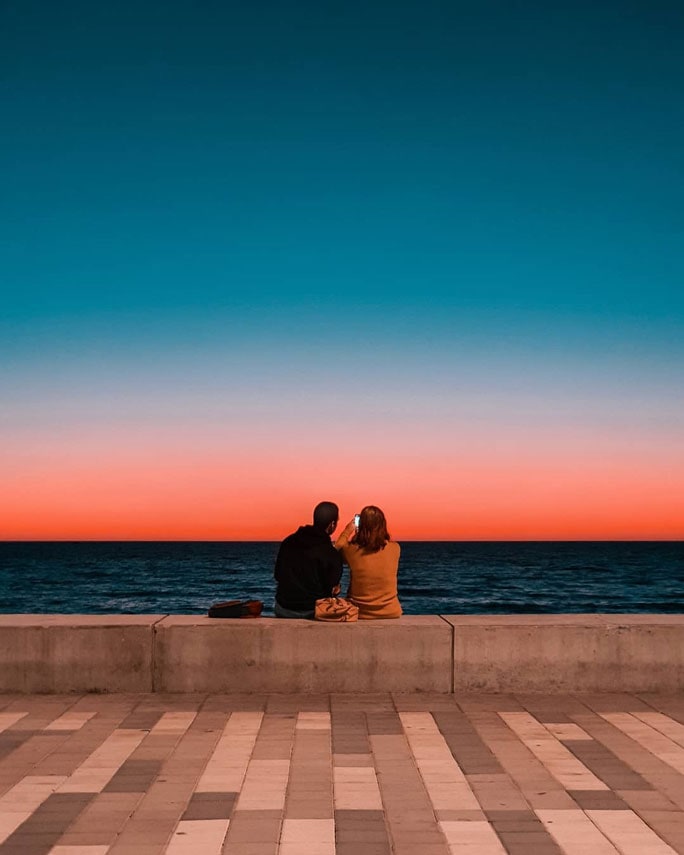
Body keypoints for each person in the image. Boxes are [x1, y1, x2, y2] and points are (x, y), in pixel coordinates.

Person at [273, 501, 343, 619]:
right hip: (313, 610)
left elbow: (278, 575)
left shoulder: (288, 542)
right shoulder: (329, 552)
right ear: (332, 524)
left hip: (283, 608)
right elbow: (332, 587)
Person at [336, 505, 402, 619]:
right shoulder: (395, 548)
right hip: (391, 611)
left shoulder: (350, 550)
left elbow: (336, 549)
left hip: (359, 612)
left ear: (361, 526)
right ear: (383, 525)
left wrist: (348, 530)